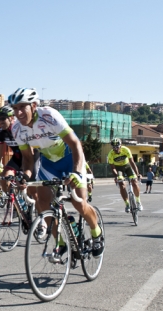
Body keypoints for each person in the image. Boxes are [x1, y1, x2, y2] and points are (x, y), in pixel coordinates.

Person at [9, 88, 103, 257]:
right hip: (49, 164)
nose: (18, 112)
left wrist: (76, 172)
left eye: (22, 107)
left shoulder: (49, 116)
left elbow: (75, 144)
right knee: (43, 203)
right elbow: (28, 159)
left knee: (79, 203)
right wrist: (25, 176)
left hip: (70, 158)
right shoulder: (17, 128)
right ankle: (60, 242)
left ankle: (96, 233)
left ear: (34, 105)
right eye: (15, 108)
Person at [0, 105, 24, 195]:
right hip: (17, 157)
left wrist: (23, 169)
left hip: (29, 157)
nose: (0, 121)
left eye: (3, 118)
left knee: (26, 185)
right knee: (4, 177)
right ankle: (11, 200)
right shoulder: (0, 132)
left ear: (11, 118)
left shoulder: (20, 128)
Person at [107, 138, 143, 212]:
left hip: (127, 166)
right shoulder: (110, 154)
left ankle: (138, 202)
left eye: (117, 147)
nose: (115, 149)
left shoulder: (126, 150)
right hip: (119, 169)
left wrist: (138, 174)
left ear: (120, 146)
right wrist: (116, 177)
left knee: (134, 182)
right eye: (114, 147)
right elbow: (113, 168)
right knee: (121, 184)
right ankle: (127, 204)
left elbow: (132, 163)